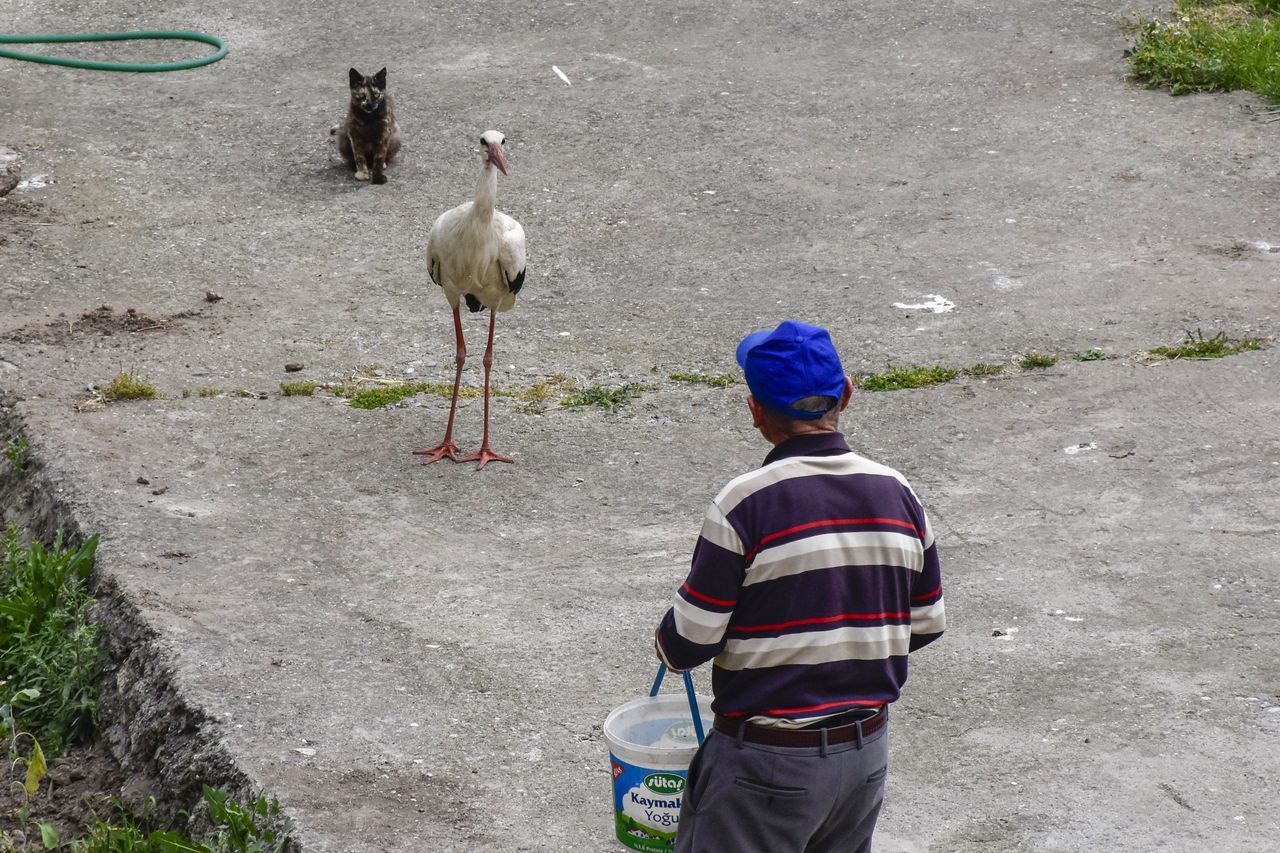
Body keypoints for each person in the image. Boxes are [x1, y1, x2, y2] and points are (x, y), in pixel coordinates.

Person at [654, 319, 945, 853]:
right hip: (864, 759)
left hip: (763, 762)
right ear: (848, 394)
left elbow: (686, 645)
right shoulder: (899, 493)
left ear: (756, 413)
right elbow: (925, 624)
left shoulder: (744, 504)